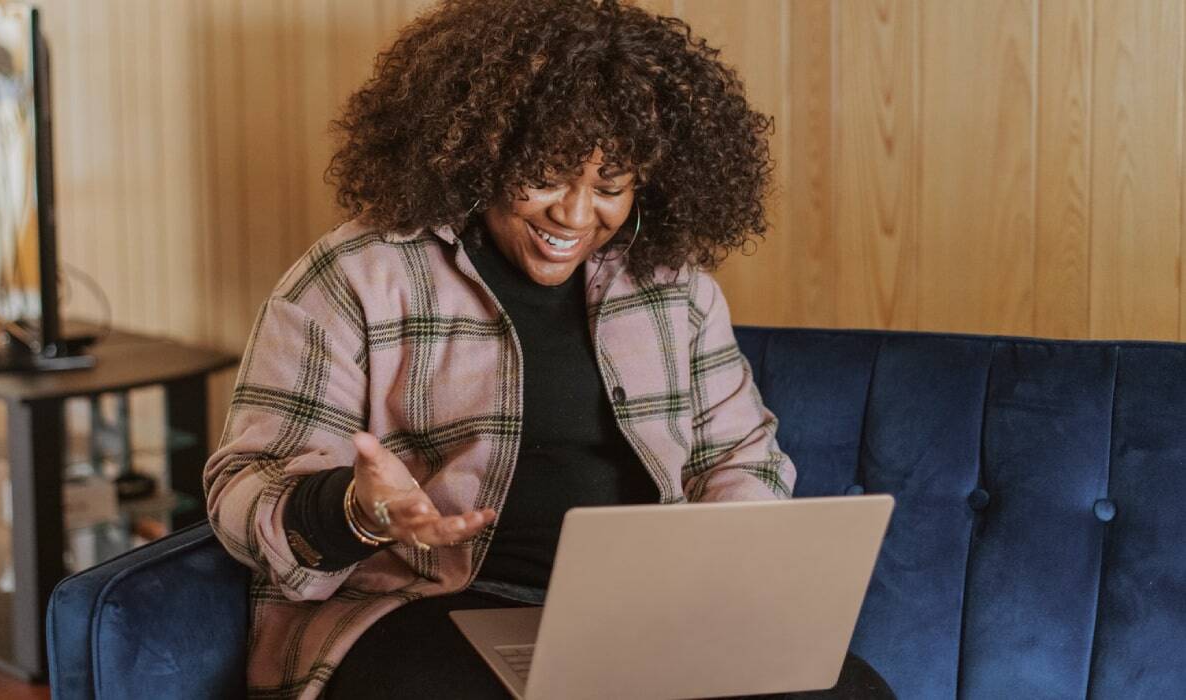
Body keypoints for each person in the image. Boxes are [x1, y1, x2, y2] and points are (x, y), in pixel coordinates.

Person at [203, 1, 893, 697]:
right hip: (422, 607)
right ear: (483, 152)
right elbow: (242, 487)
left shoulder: (673, 287)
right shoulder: (356, 277)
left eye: (610, 186)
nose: (573, 213)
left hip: (636, 617)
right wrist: (354, 508)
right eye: (547, 175)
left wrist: (720, 570)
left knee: (849, 690)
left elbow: (740, 456)